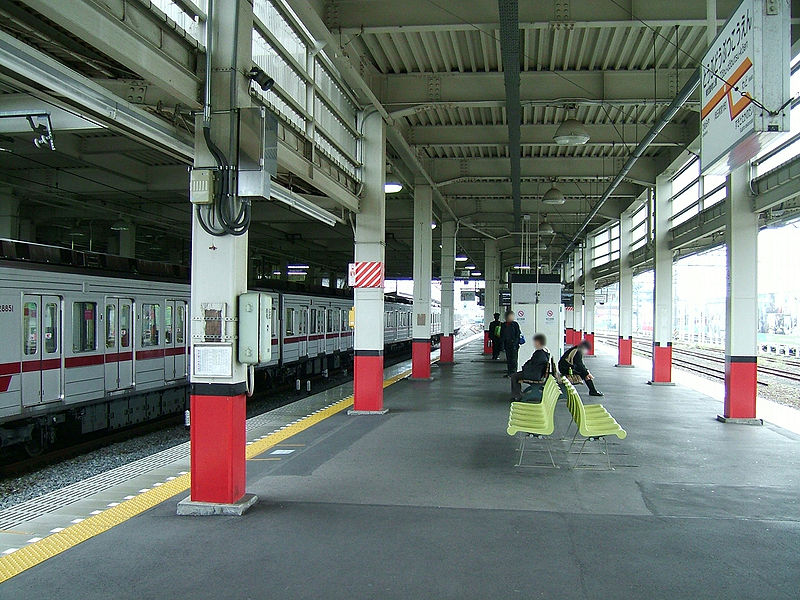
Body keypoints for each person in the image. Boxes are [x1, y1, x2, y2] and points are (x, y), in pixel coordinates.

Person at [511, 333, 551, 401]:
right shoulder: (545, 352)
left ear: (538, 342)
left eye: (535, 342)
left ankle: (517, 395)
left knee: (514, 376)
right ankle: (518, 393)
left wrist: (524, 367)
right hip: (538, 373)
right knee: (516, 375)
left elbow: (532, 364)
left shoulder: (539, 353)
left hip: (534, 374)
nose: (534, 344)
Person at [499, 310, 521, 377]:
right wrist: (502, 346)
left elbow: (518, 334)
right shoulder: (503, 325)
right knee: (509, 359)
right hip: (507, 344)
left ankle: (513, 373)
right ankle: (509, 372)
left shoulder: (515, 324)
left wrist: (515, 343)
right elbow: (502, 335)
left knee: (514, 359)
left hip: (514, 345)